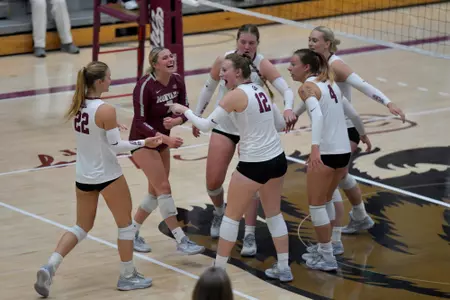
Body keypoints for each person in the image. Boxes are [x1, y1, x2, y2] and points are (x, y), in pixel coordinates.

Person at [33, 61, 160, 297]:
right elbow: (116, 147)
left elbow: (97, 131)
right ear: (100, 82)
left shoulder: (79, 105)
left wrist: (113, 125)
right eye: (109, 78)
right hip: (108, 175)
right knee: (125, 226)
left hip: (83, 176)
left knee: (81, 226)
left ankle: (50, 265)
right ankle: (127, 275)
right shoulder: (106, 110)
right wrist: (145, 142)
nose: (112, 81)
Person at [168, 53, 293, 282]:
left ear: (238, 72)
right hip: (277, 158)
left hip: (255, 163)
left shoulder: (235, 96)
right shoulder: (260, 89)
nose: (221, 73)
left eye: (225, 69)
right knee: (274, 214)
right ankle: (284, 267)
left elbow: (205, 126)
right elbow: (278, 124)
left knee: (231, 217)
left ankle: (218, 271)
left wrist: (184, 111)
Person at [295, 25, 406, 254]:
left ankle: (332, 242)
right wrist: (294, 114)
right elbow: (311, 94)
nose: (311, 43)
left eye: (315, 40)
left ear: (328, 43)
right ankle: (359, 216)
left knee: (332, 181)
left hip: (345, 131)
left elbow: (363, 85)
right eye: (309, 39)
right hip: (334, 129)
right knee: (341, 177)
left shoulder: (337, 65)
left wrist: (387, 103)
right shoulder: (316, 66)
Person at [192, 24, 296, 257]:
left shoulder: (262, 64)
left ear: (257, 44)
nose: (247, 47)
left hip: (252, 131)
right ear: (236, 41)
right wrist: (197, 114)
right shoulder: (225, 61)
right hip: (225, 126)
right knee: (213, 182)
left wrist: (288, 108)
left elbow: (286, 90)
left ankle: (249, 232)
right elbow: (208, 89)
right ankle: (219, 211)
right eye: (243, 42)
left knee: (252, 182)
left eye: (252, 43)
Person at [288, 49, 371, 271]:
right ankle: (332, 245)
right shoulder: (331, 84)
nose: (289, 67)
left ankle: (326, 256)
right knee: (326, 199)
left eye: (293, 63)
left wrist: (315, 149)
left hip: (326, 153)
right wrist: (362, 134)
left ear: (306, 67)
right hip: (343, 152)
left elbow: (316, 117)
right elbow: (352, 114)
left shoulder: (307, 87)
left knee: (317, 205)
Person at [129, 47, 205, 255]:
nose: (170, 59)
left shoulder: (177, 80)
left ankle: (131, 232)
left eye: (171, 56)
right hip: (143, 142)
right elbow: (138, 122)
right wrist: (166, 138)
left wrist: (177, 120)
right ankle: (181, 239)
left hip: (162, 141)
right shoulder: (144, 86)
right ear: (155, 64)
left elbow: (185, 109)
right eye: (165, 57)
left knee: (155, 192)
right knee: (163, 188)